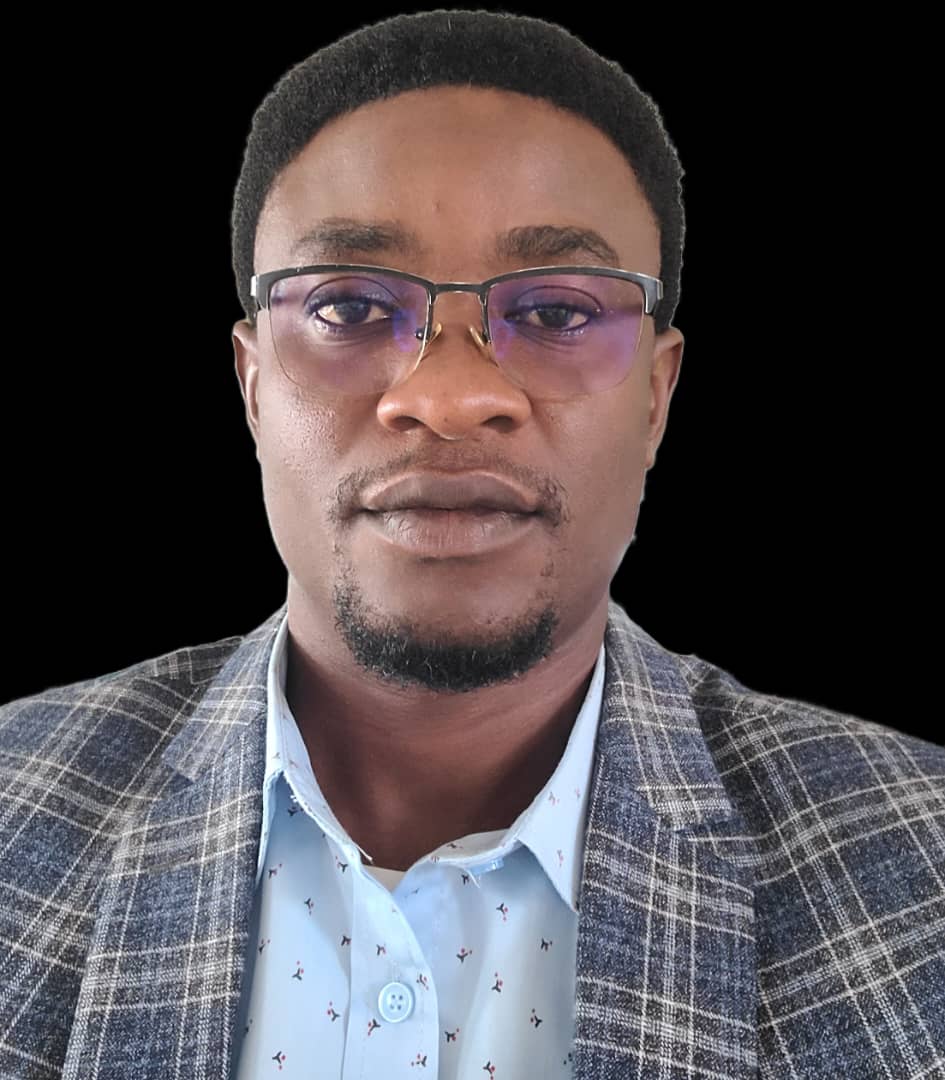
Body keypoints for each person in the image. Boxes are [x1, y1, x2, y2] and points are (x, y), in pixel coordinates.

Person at [0, 10, 942, 1080]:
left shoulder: (921, 874)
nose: (449, 397)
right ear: (252, 387)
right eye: (350, 305)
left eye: (557, 313)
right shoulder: (15, 808)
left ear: (656, 398)